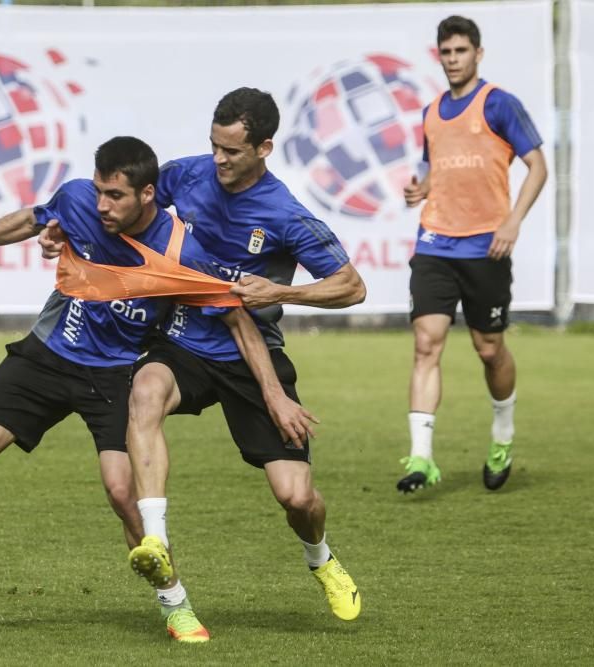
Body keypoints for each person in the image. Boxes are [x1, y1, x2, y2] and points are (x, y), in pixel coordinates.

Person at [0, 136, 315, 644]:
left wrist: (273, 393)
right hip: (47, 355)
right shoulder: (76, 200)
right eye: (99, 192)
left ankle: (176, 605)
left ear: (148, 194)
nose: (102, 205)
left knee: (122, 492)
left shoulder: (183, 252)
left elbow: (239, 321)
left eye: (115, 196)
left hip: (116, 375)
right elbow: (30, 219)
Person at [41, 87, 367, 625]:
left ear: (264, 148)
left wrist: (281, 293)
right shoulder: (188, 174)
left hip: (252, 353)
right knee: (144, 394)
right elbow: (125, 200)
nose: (219, 160)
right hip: (183, 339)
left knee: (297, 498)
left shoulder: (284, 213)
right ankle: (156, 540)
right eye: (214, 146)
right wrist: (64, 229)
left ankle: (321, 558)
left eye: (232, 152)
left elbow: (351, 287)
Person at [398, 15, 547, 494]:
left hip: (487, 245)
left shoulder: (500, 104)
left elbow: (538, 166)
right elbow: (431, 166)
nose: (453, 60)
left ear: (477, 54)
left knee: (489, 349)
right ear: (438, 56)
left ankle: (502, 435)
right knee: (426, 343)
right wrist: (420, 189)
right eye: (446, 52)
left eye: (461, 51)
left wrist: (513, 220)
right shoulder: (431, 112)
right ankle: (420, 459)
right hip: (435, 242)